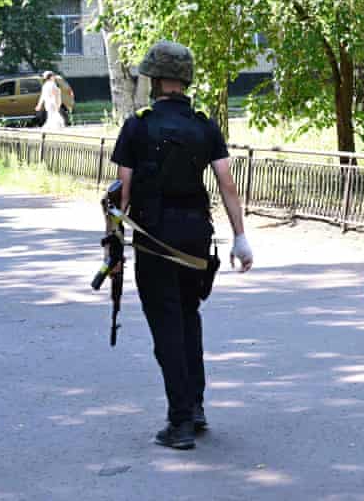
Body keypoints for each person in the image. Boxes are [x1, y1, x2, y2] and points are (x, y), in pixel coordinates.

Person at [110, 40, 254, 450]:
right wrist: (241, 236)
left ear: (153, 78)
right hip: (195, 238)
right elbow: (226, 182)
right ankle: (196, 406)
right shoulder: (204, 124)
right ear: (185, 78)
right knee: (189, 319)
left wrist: (115, 248)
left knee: (167, 327)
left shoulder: (138, 124)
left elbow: (123, 190)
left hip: (155, 239)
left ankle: (180, 423)